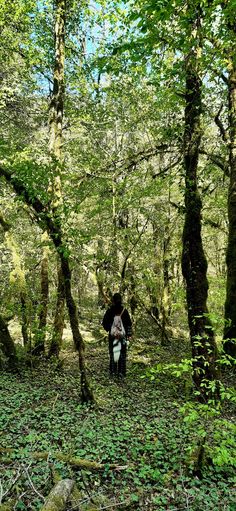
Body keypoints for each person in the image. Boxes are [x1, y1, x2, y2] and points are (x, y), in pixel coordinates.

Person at [102, 292, 132, 378]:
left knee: (113, 353)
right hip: (122, 336)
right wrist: (128, 334)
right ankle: (121, 373)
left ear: (113, 300)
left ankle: (113, 372)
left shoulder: (110, 310)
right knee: (122, 354)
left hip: (112, 336)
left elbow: (104, 323)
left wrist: (110, 329)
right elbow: (129, 324)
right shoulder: (124, 311)